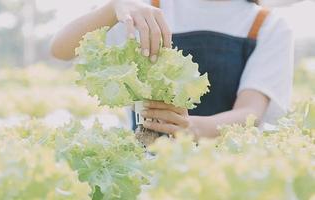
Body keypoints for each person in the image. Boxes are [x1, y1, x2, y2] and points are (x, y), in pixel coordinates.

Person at [50, 0, 294, 139]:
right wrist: (115, 6)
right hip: (147, 169)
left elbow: (250, 113)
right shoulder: (146, 7)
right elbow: (61, 49)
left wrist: (189, 127)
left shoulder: (267, 25)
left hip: (223, 167)